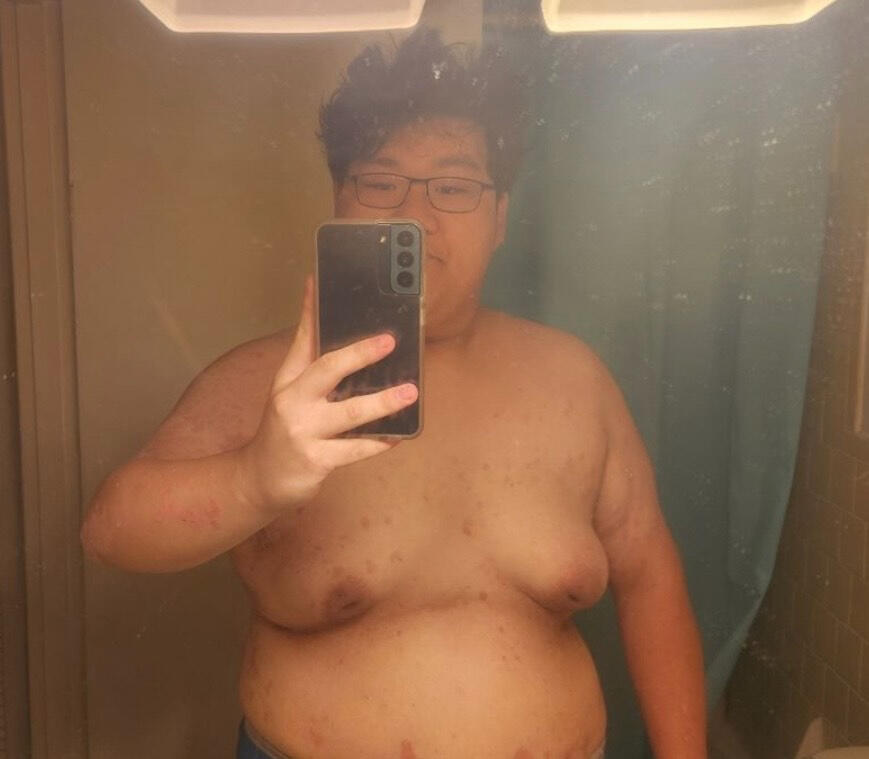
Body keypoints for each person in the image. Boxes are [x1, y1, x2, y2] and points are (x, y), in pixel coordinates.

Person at [81, 28, 707, 759]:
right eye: (380, 182)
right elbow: (112, 531)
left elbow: (649, 577)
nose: (415, 214)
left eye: (455, 185)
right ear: (338, 201)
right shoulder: (267, 384)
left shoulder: (575, 379)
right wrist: (256, 476)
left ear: (501, 217)